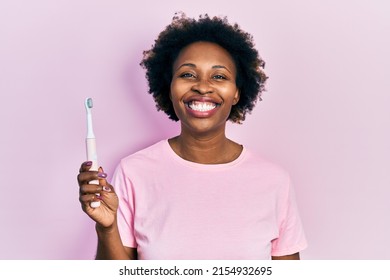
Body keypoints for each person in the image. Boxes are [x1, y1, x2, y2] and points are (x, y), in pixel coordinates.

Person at [77, 13, 307, 260]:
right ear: (170, 86)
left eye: (219, 76)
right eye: (187, 74)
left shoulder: (273, 181)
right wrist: (106, 228)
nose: (202, 86)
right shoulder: (134, 172)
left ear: (237, 93)